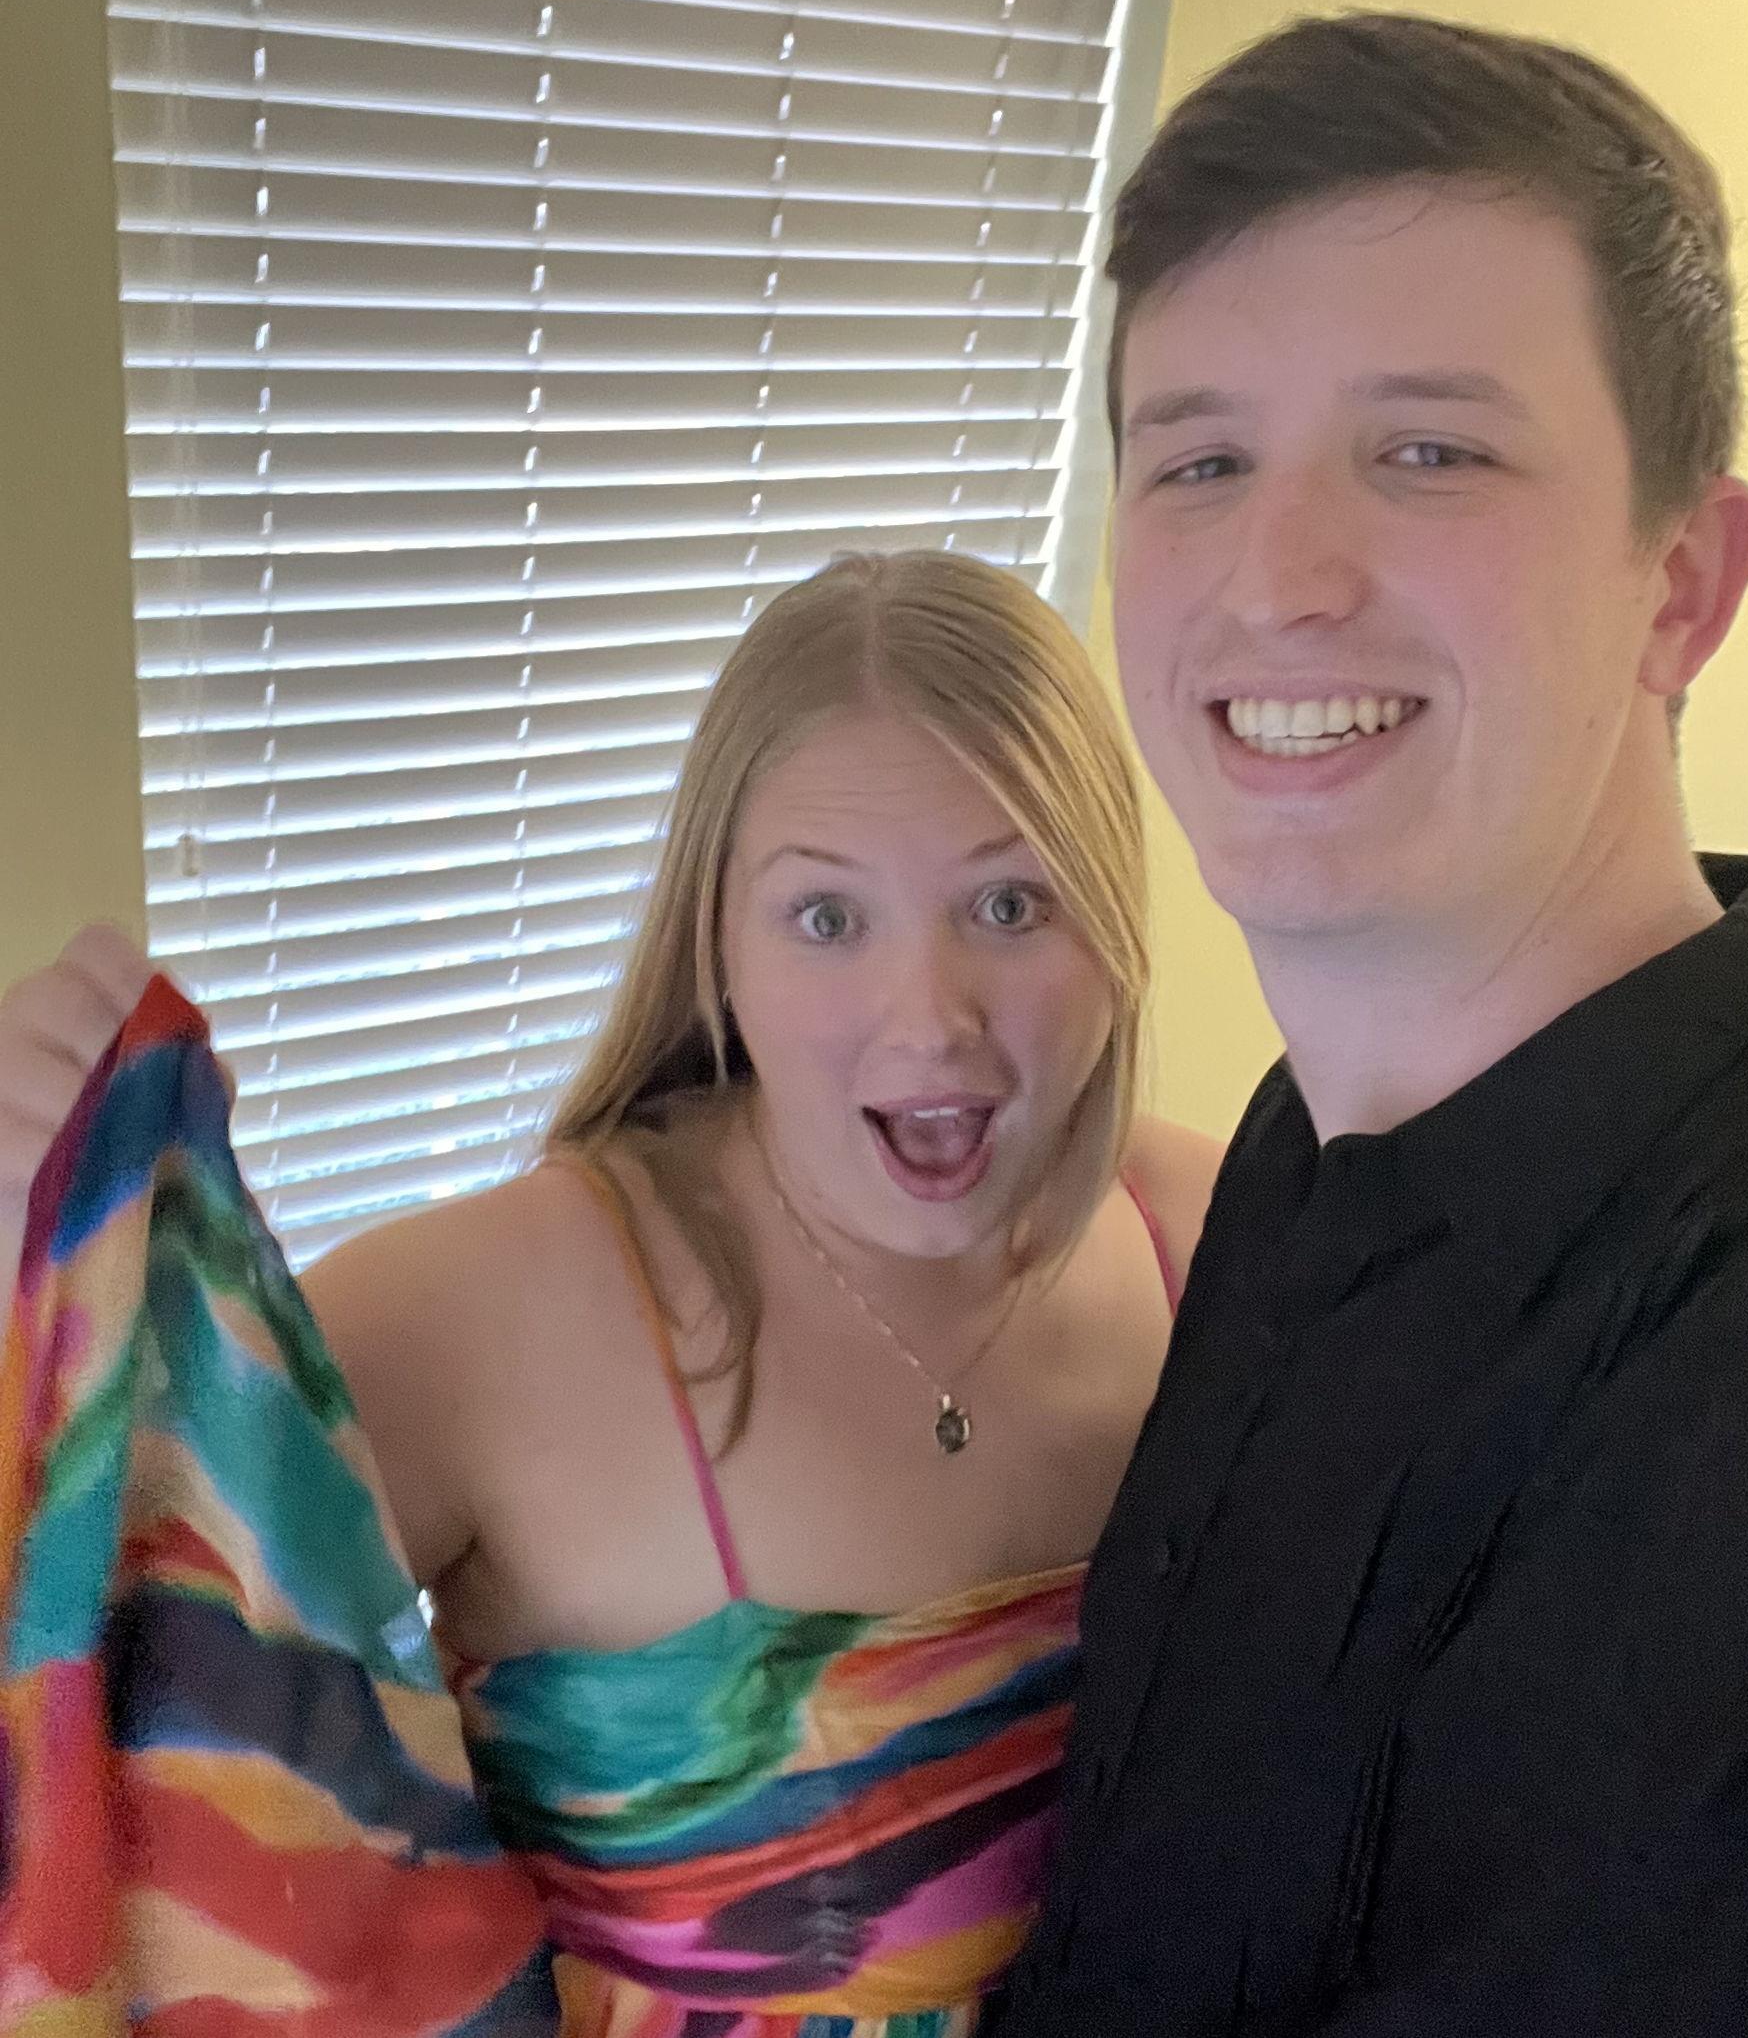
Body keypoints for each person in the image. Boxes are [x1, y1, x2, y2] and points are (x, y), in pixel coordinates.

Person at [992, 12, 1748, 2038]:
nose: (1278, 577)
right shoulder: (1293, 1169)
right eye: (1198, 460)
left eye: (1430, 451)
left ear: (1683, 583)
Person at [0, 549, 1220, 2036]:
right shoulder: (497, 1313)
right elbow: (94, 1683)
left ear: (1116, 922)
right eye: (827, 918)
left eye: (1012, 903)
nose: (932, 1018)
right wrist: (44, 1254)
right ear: (718, 947)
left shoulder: (1238, 1239)